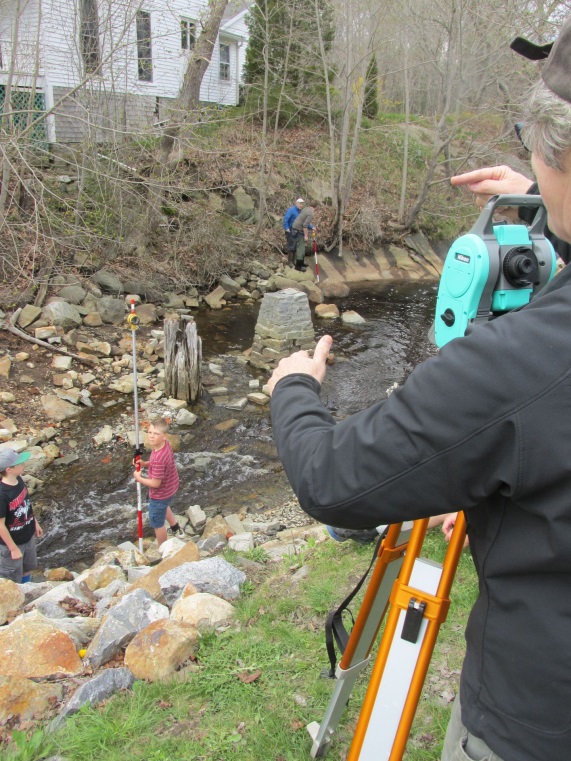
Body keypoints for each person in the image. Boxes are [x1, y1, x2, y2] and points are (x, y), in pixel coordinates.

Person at [268, 17, 571, 761]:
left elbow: (332, 479)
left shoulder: (523, 361)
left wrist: (293, 390)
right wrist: (539, 196)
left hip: (535, 722)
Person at [133, 417, 184, 546]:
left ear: (164, 436)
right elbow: (158, 464)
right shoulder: (164, 446)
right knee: (164, 505)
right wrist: (145, 464)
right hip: (171, 486)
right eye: (149, 432)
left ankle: (163, 549)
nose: (151, 436)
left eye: (156, 434)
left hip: (160, 494)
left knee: (157, 523)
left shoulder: (159, 458)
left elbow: (156, 484)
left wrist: (139, 478)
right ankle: (175, 527)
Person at [0, 449, 43, 583]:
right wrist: (13, 548)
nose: (23, 464)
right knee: (11, 577)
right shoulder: (2, 494)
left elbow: (27, 503)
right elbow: (0, 525)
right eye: (20, 463)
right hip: (11, 544)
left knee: (27, 567)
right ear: (9, 469)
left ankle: (27, 589)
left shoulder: (19, 480)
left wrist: (35, 522)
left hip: (27, 535)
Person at [291, 200, 317, 271]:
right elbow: (305, 225)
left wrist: (312, 227)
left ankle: (301, 263)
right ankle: (298, 266)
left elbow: (304, 222)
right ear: (316, 207)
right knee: (301, 248)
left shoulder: (305, 209)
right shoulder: (311, 214)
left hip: (295, 228)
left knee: (301, 247)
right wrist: (306, 236)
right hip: (298, 230)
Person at [283, 198, 305, 267]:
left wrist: (312, 227)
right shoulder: (291, 210)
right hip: (290, 231)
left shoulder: (301, 212)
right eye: (300, 203)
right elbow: (286, 219)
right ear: (297, 203)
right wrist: (286, 228)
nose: (301, 205)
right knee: (291, 247)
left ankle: (294, 261)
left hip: (297, 231)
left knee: (295, 246)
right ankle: (290, 262)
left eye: (302, 204)